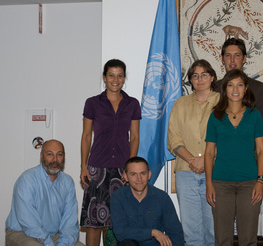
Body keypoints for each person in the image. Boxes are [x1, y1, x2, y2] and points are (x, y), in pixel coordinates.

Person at [80, 59, 141, 246]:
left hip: (121, 170)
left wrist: (130, 169)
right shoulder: (92, 103)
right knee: (93, 222)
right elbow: (86, 136)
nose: (116, 79)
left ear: (124, 78)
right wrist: (83, 166)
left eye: (120, 75)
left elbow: (135, 138)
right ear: (105, 77)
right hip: (97, 168)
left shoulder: (132, 104)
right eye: (111, 75)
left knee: (115, 222)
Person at [205, 69, 263, 246]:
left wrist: (260, 181)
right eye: (230, 85)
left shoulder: (254, 115)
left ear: (246, 88)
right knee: (222, 239)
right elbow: (209, 153)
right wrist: (209, 183)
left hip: (249, 183)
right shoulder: (215, 116)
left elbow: (262, 150)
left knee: (248, 239)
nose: (235, 89)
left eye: (240, 85)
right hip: (220, 184)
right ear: (224, 89)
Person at [167, 59, 219, 246]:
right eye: (195, 75)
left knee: (214, 230)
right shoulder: (180, 104)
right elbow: (173, 138)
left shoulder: (223, 103)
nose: (200, 79)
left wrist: (204, 161)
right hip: (185, 172)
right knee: (191, 232)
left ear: (212, 77)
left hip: (214, 173)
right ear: (190, 80)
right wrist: (192, 160)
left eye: (204, 74)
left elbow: (227, 138)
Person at [6, 140, 84, 246]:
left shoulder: (68, 182)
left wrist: (63, 244)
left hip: (54, 235)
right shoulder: (27, 179)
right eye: (49, 154)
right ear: (41, 156)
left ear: (64, 157)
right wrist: (49, 244)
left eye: (59, 155)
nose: (55, 159)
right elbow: (29, 222)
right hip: (23, 233)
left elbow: (69, 223)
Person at [110, 157, 184, 246]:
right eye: (133, 174)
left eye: (143, 173)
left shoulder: (162, 197)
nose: (139, 179)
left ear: (149, 175)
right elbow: (120, 233)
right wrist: (152, 232)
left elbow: (176, 233)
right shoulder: (118, 197)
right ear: (125, 176)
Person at [216, 38, 263, 150]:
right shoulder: (215, 88)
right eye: (227, 55)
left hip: (249, 157)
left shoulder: (258, 88)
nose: (232, 60)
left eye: (237, 55)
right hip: (220, 158)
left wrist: (261, 164)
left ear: (244, 58)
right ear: (222, 59)